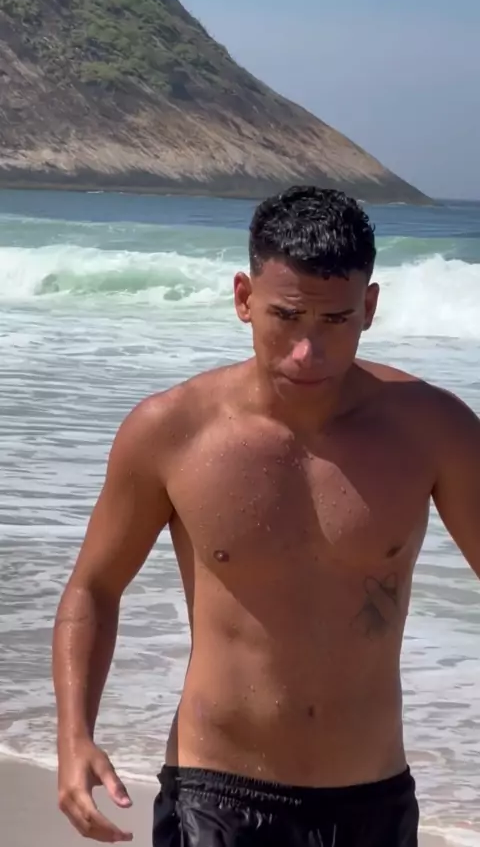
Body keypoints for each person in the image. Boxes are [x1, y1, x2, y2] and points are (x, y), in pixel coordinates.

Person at [53, 186, 480, 847]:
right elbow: (93, 587)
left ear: (369, 307)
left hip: (372, 799)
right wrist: (74, 736)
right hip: (216, 797)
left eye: (335, 320)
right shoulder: (172, 431)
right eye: (286, 317)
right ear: (243, 298)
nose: (308, 351)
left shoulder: (435, 431)